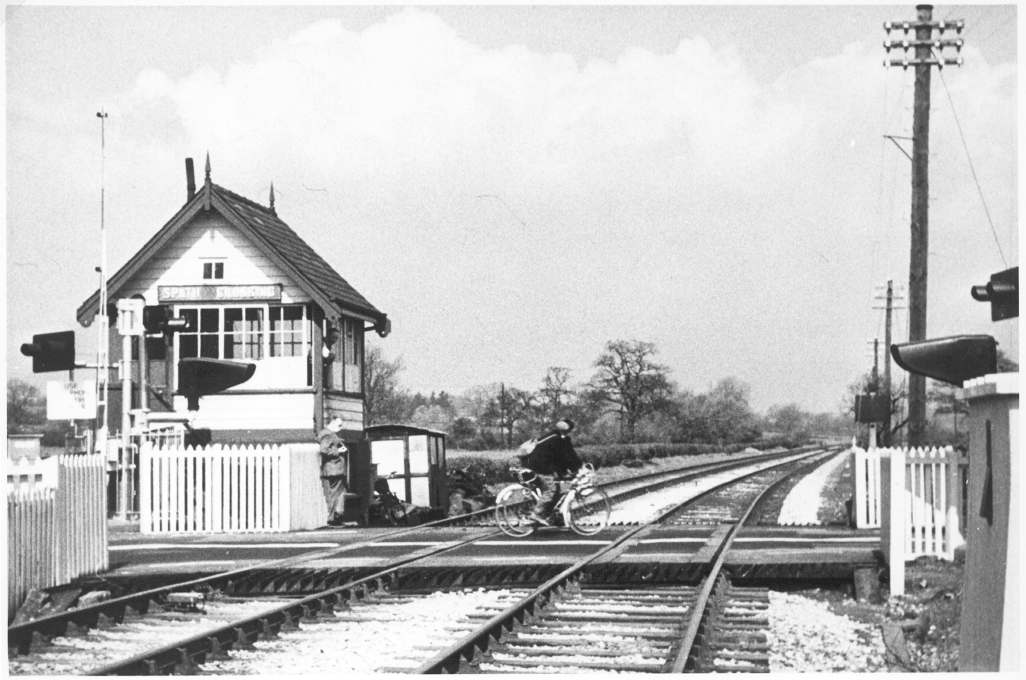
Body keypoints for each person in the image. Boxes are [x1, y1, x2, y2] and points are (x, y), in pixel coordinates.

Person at [516, 418, 583, 526]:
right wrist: (575, 468)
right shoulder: (556, 439)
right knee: (551, 490)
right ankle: (537, 514)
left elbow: (568, 455)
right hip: (540, 467)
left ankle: (550, 516)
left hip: (542, 465)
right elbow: (564, 457)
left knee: (556, 489)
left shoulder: (556, 437)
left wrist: (575, 467)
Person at [318, 416, 349, 526]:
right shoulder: (327, 434)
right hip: (333, 469)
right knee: (334, 495)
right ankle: (333, 518)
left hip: (335, 469)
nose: (340, 428)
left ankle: (335, 516)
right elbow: (323, 450)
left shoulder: (329, 434)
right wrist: (338, 451)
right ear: (331, 423)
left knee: (337, 494)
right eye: (339, 425)